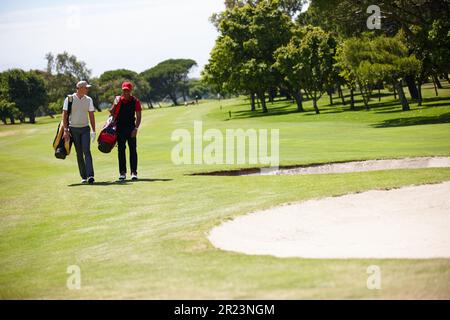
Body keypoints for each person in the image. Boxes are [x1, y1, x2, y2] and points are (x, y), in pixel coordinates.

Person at [62, 80, 96, 184]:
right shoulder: (69, 99)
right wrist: (65, 130)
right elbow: (65, 114)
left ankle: (90, 175)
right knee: (79, 153)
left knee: (87, 151)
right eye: (86, 87)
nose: (87, 89)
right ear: (80, 88)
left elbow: (91, 115)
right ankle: (84, 176)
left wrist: (94, 130)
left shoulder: (89, 100)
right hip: (73, 129)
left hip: (85, 128)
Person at [110, 81, 142, 181]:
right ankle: (122, 173)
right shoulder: (118, 100)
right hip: (120, 129)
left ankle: (134, 172)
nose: (126, 92)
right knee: (121, 151)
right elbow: (112, 112)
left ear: (130, 90)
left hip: (131, 128)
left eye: (127, 90)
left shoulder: (135, 101)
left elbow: (139, 116)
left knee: (133, 150)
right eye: (124, 90)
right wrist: (115, 104)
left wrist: (136, 129)